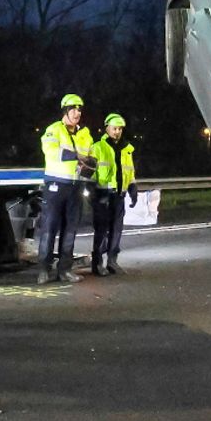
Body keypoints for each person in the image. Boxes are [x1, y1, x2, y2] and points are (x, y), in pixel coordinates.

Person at [37, 94, 96, 284]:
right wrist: (76, 156)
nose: (77, 113)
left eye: (80, 109)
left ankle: (65, 270)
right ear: (65, 111)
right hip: (56, 185)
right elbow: (51, 151)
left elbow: (92, 158)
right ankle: (44, 270)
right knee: (49, 228)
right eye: (73, 109)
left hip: (75, 187)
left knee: (70, 230)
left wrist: (91, 165)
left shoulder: (85, 134)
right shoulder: (54, 130)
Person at [91, 113, 137, 276]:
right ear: (107, 129)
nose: (117, 132)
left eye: (119, 129)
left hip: (119, 195)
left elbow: (129, 171)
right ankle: (97, 263)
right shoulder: (98, 147)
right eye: (114, 128)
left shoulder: (127, 149)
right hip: (102, 194)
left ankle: (112, 261)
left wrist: (132, 187)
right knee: (101, 230)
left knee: (116, 230)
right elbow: (91, 173)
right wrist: (94, 191)